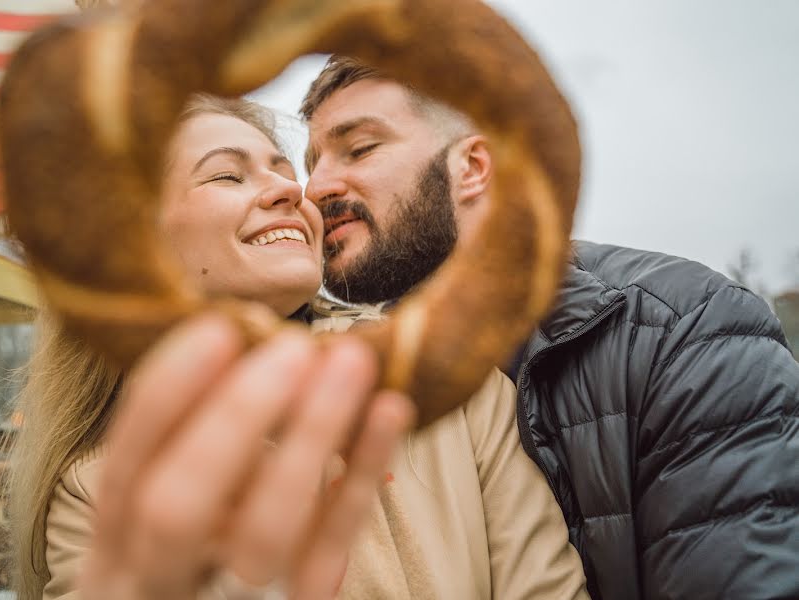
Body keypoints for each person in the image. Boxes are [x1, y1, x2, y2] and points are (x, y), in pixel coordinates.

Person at [5, 94, 588, 600]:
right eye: (227, 176)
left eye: (283, 170)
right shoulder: (101, 490)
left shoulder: (447, 382)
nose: (291, 189)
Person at [299, 56, 799, 600]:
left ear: (473, 167)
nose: (315, 186)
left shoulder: (684, 332)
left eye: (360, 148)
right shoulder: (342, 375)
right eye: (311, 162)